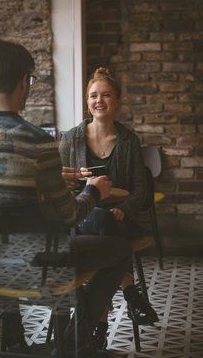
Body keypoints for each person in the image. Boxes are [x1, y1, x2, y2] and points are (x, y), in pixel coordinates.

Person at [0, 40, 134, 358]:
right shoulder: (37, 140)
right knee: (120, 249)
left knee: (2, 239)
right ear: (25, 81)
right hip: (36, 268)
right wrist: (94, 190)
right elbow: (70, 215)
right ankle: (72, 343)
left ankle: (15, 340)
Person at [59, 67, 159, 348]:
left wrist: (124, 208)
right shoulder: (71, 139)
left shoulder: (128, 141)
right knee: (101, 219)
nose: (98, 100)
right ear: (87, 102)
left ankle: (96, 328)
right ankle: (130, 290)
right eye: (93, 95)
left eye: (106, 95)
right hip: (82, 216)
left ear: (117, 101)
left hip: (119, 218)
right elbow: (61, 187)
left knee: (106, 221)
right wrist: (78, 183)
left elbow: (140, 190)